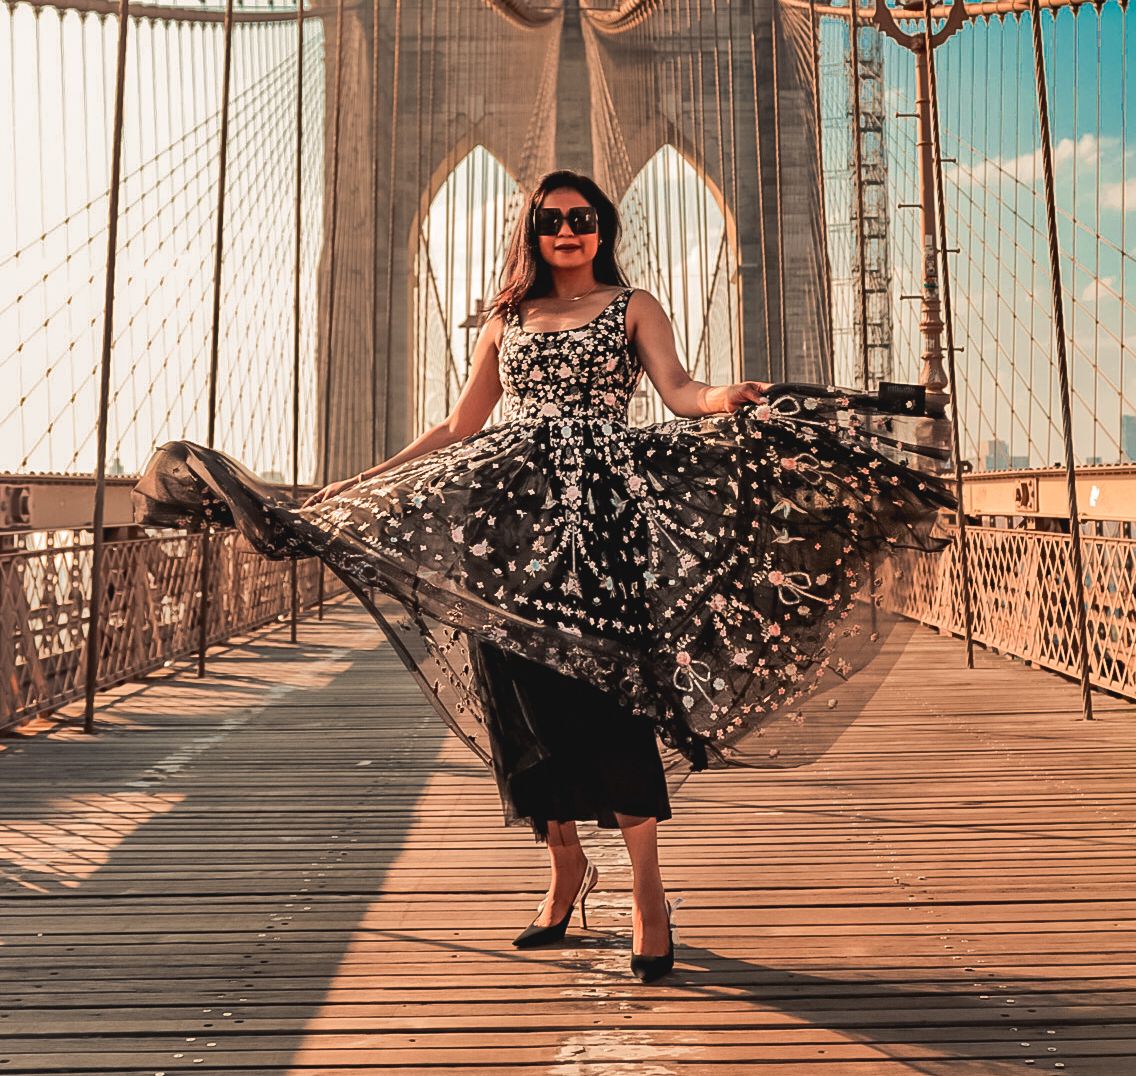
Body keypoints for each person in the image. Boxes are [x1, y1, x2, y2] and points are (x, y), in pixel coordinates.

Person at [135, 169, 951, 984]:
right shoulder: (505, 320)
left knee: (611, 700)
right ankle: (564, 868)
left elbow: (678, 389)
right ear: (534, 230)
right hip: (508, 529)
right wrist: (361, 483)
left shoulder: (634, 306)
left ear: (603, 227)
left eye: (585, 218)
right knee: (518, 700)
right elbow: (460, 424)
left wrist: (723, 396)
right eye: (554, 219)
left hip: (603, 526)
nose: (570, 229)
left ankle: (647, 892)